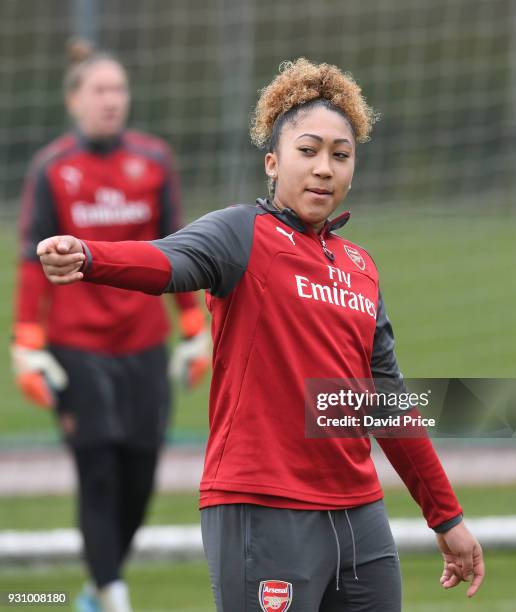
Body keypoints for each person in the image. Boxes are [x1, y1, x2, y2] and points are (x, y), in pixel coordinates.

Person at [35, 58, 485, 612]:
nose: (324, 168)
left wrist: (447, 517)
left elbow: (386, 404)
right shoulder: (241, 234)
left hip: (360, 518)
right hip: (263, 506)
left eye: (340, 156)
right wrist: (89, 256)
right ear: (273, 162)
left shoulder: (361, 268)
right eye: (308, 151)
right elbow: (167, 260)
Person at [11, 40, 209, 612]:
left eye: (118, 89)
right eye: (99, 90)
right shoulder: (53, 168)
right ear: (74, 101)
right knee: (97, 470)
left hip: (145, 343)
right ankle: (112, 594)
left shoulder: (154, 161)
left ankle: (98, 585)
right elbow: (31, 259)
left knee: (141, 474)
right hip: (78, 347)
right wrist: (27, 342)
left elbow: (180, 248)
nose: (111, 101)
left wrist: (193, 327)